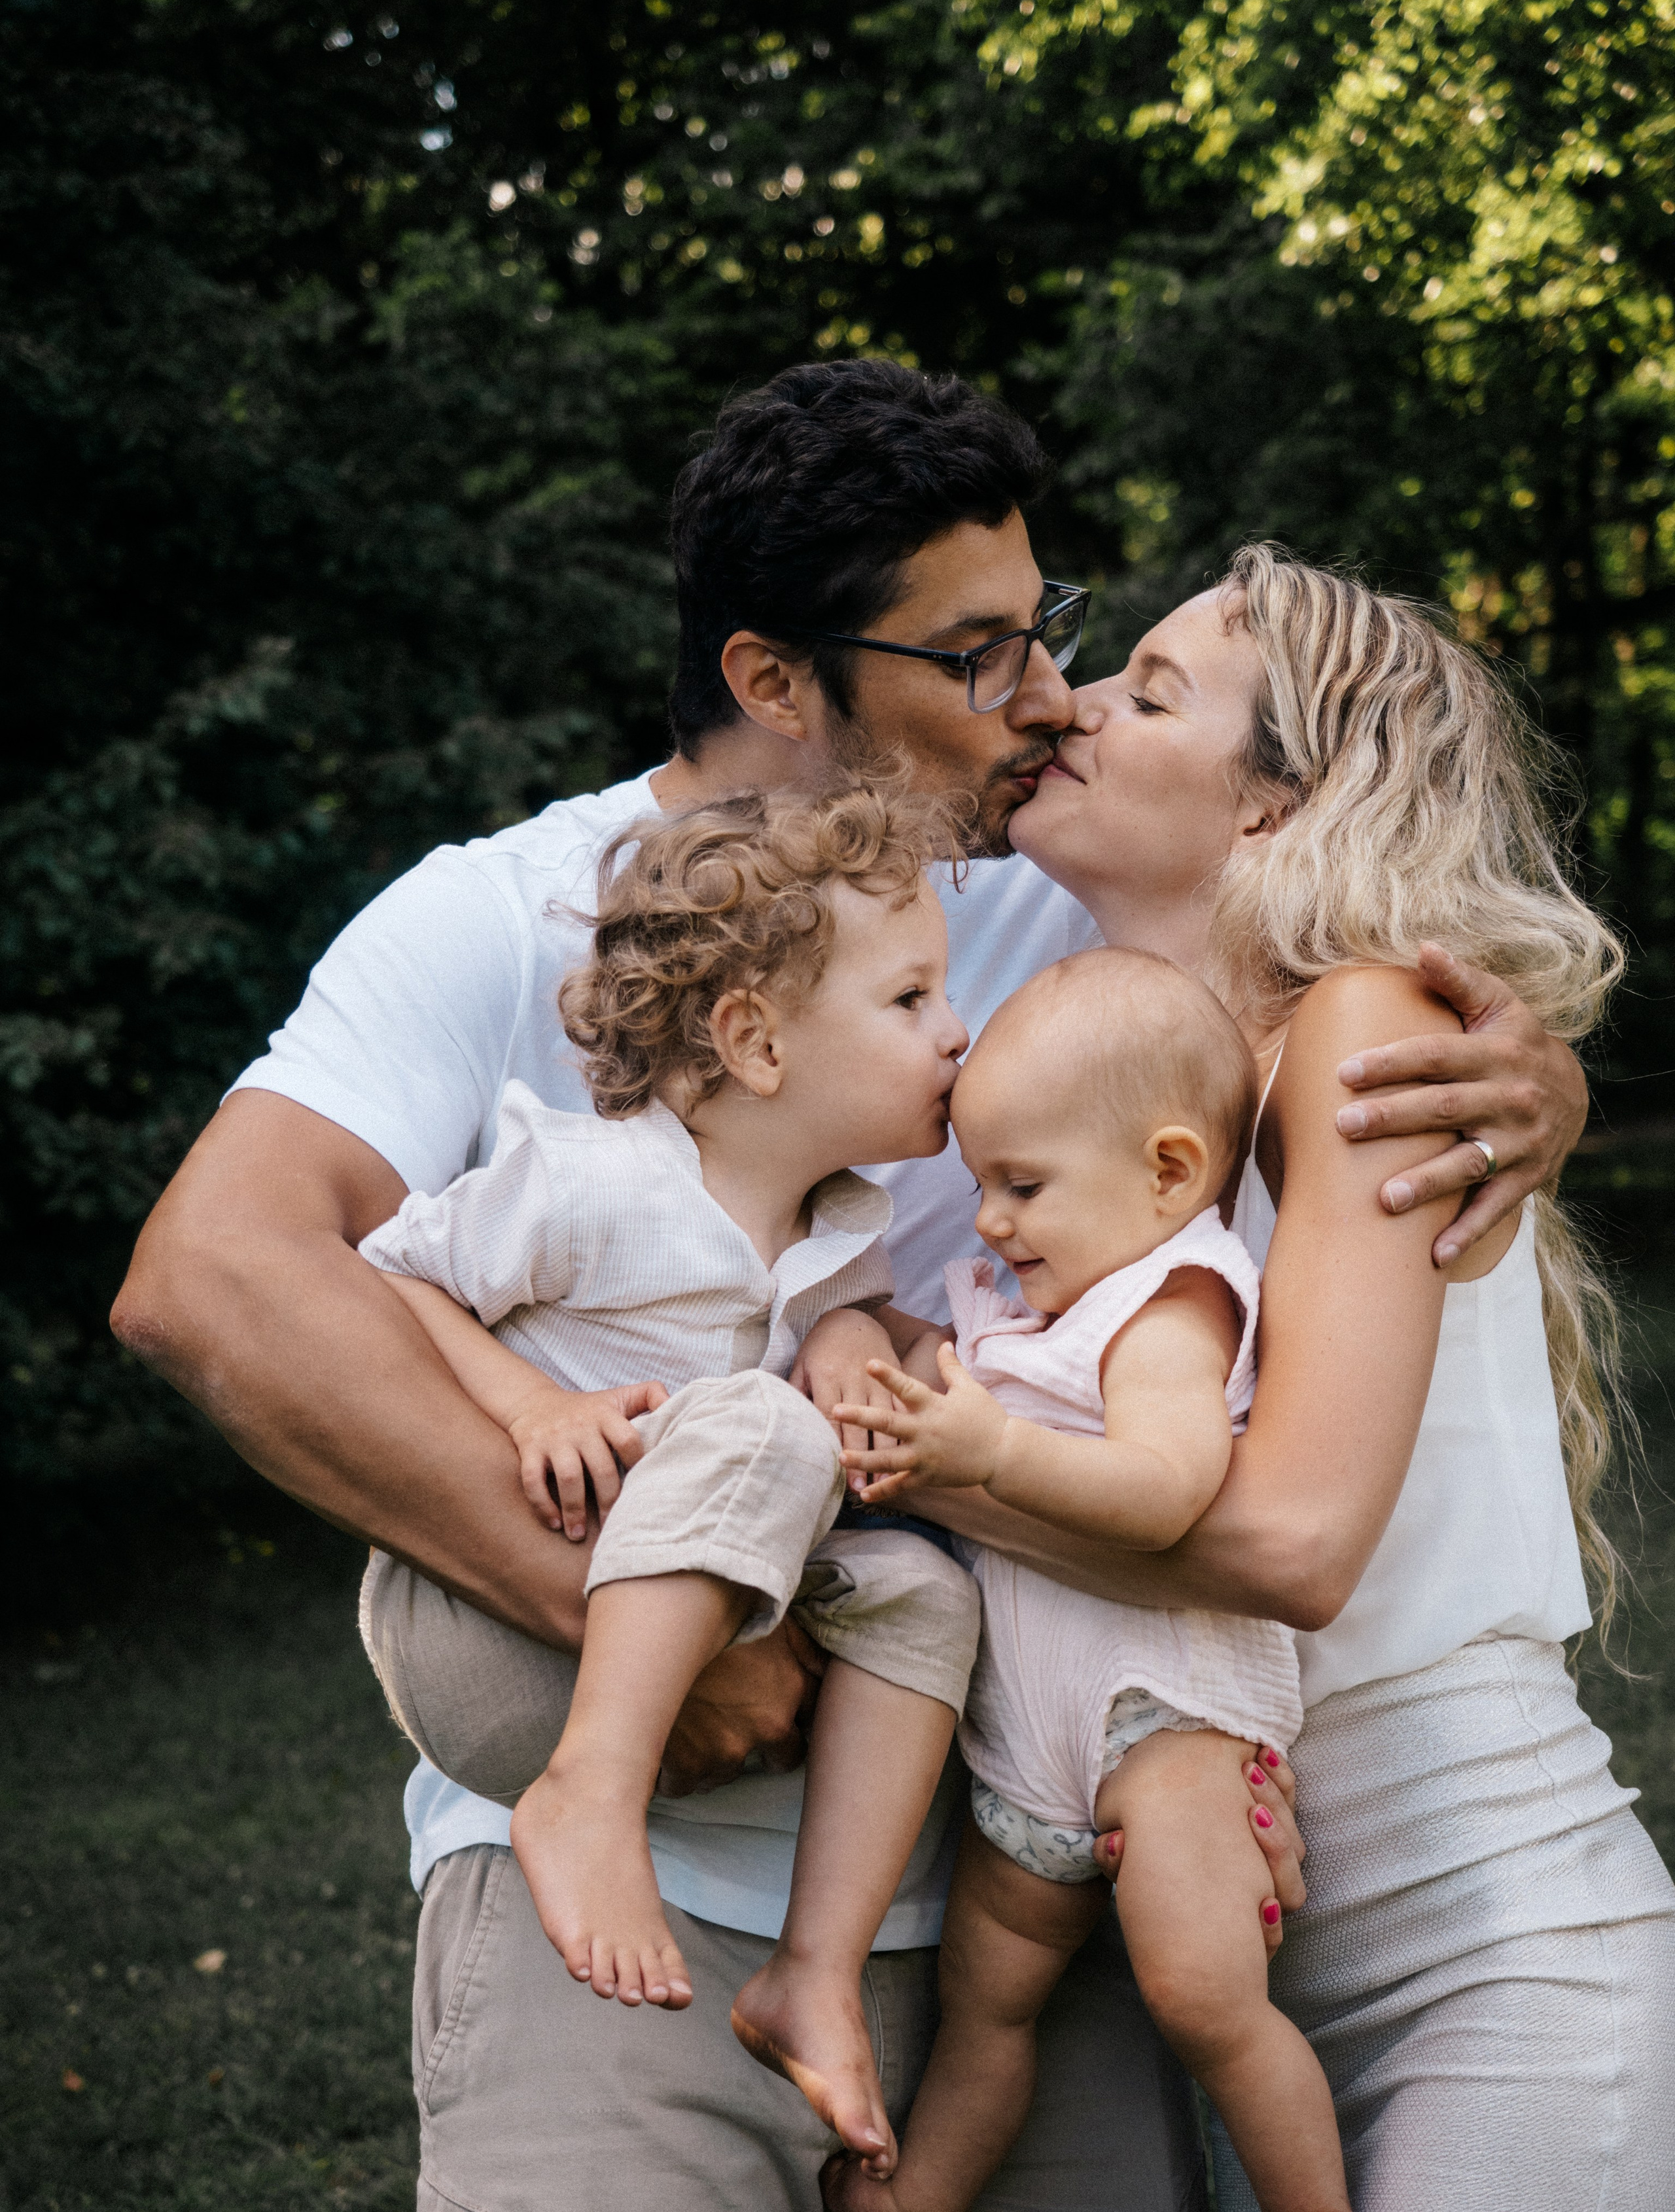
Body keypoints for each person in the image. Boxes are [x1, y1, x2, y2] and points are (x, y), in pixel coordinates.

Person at [109, 363, 1589, 2211]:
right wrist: (641, 1624)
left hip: (1033, 1911)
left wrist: (1530, 1071)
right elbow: (219, 1273)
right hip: (645, 1930)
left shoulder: (1046, 885)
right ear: (774, 678)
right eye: (977, 653)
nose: (1046, 693)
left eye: (1042, 627)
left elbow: (1328, 956)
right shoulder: (509, 914)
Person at [883, 542, 1675, 2209]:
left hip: (1490, 1967)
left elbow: (1292, 1545)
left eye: (1149, 692)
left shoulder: (1366, 1025)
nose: (1070, 706)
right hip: (1256, 1979)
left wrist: (900, 1447)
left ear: (1275, 804)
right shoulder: (1128, 1092)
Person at [357, 784, 982, 2176]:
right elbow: (386, 1282)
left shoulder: (840, 1225)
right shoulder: (587, 1183)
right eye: (910, 1000)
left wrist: (857, 1338)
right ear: (756, 1040)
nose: (955, 1032)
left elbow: (834, 1335)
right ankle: (589, 1795)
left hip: (714, 1568)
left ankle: (813, 1968)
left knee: (927, 1598)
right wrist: (529, 1402)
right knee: (764, 1429)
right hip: (514, 1603)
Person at [822, 946, 1343, 2212]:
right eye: (982, 1185)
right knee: (988, 2005)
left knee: (1205, 1998)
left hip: (1165, 1723)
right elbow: (920, 1349)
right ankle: (918, 2193)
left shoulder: (1171, 1305)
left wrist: (994, 1452)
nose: (990, 1221)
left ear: (1169, 1169)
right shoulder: (1032, 1312)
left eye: (1022, 1184)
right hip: (1029, 1757)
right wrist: (848, 1330)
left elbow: (1166, 1489)